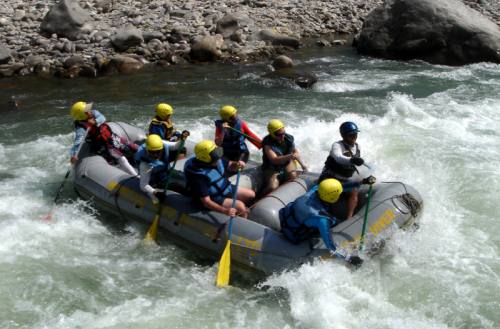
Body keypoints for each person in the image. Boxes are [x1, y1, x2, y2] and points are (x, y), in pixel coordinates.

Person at [279, 177, 375, 266]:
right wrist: (349, 258)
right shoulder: (322, 219)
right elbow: (330, 246)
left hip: (290, 220)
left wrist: (363, 182)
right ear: (332, 198)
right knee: (334, 222)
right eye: (338, 194)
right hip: (295, 234)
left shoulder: (316, 190)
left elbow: (341, 187)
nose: (340, 194)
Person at [184, 140, 255, 218]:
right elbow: (206, 202)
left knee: (251, 194)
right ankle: (242, 222)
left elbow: (231, 165)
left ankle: (243, 211)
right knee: (240, 207)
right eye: (215, 156)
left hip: (225, 188)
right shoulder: (198, 177)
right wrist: (225, 211)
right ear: (206, 159)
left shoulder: (215, 158)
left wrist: (237, 164)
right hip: (214, 198)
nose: (218, 158)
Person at [69, 101, 138, 176]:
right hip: (104, 145)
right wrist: (73, 155)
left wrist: (95, 121)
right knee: (121, 158)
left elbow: (102, 118)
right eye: (87, 111)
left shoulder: (94, 113)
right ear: (83, 115)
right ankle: (135, 175)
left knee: (133, 147)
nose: (90, 111)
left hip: (112, 137)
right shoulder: (81, 128)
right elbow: (78, 143)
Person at [319, 121, 366, 219]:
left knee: (354, 190)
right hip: (330, 177)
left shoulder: (357, 147)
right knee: (328, 191)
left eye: (355, 134)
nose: (354, 137)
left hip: (344, 179)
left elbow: (354, 165)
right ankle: (323, 214)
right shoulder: (337, 145)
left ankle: (349, 218)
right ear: (343, 135)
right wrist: (352, 160)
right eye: (351, 135)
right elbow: (338, 158)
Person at [135, 134, 188, 204]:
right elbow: (143, 185)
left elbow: (175, 146)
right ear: (147, 150)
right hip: (157, 181)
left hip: (166, 171)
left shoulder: (162, 144)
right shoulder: (144, 163)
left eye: (158, 151)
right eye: (152, 152)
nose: (155, 155)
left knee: (186, 178)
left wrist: (182, 139)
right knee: (182, 187)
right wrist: (155, 192)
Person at [261, 119, 307, 195]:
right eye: (278, 135)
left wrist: (303, 166)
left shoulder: (288, 138)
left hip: (286, 163)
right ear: (272, 134)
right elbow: (274, 160)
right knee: (272, 187)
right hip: (272, 167)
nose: (282, 136)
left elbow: (295, 152)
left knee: (292, 178)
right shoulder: (267, 143)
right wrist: (290, 156)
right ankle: (260, 197)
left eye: (283, 133)